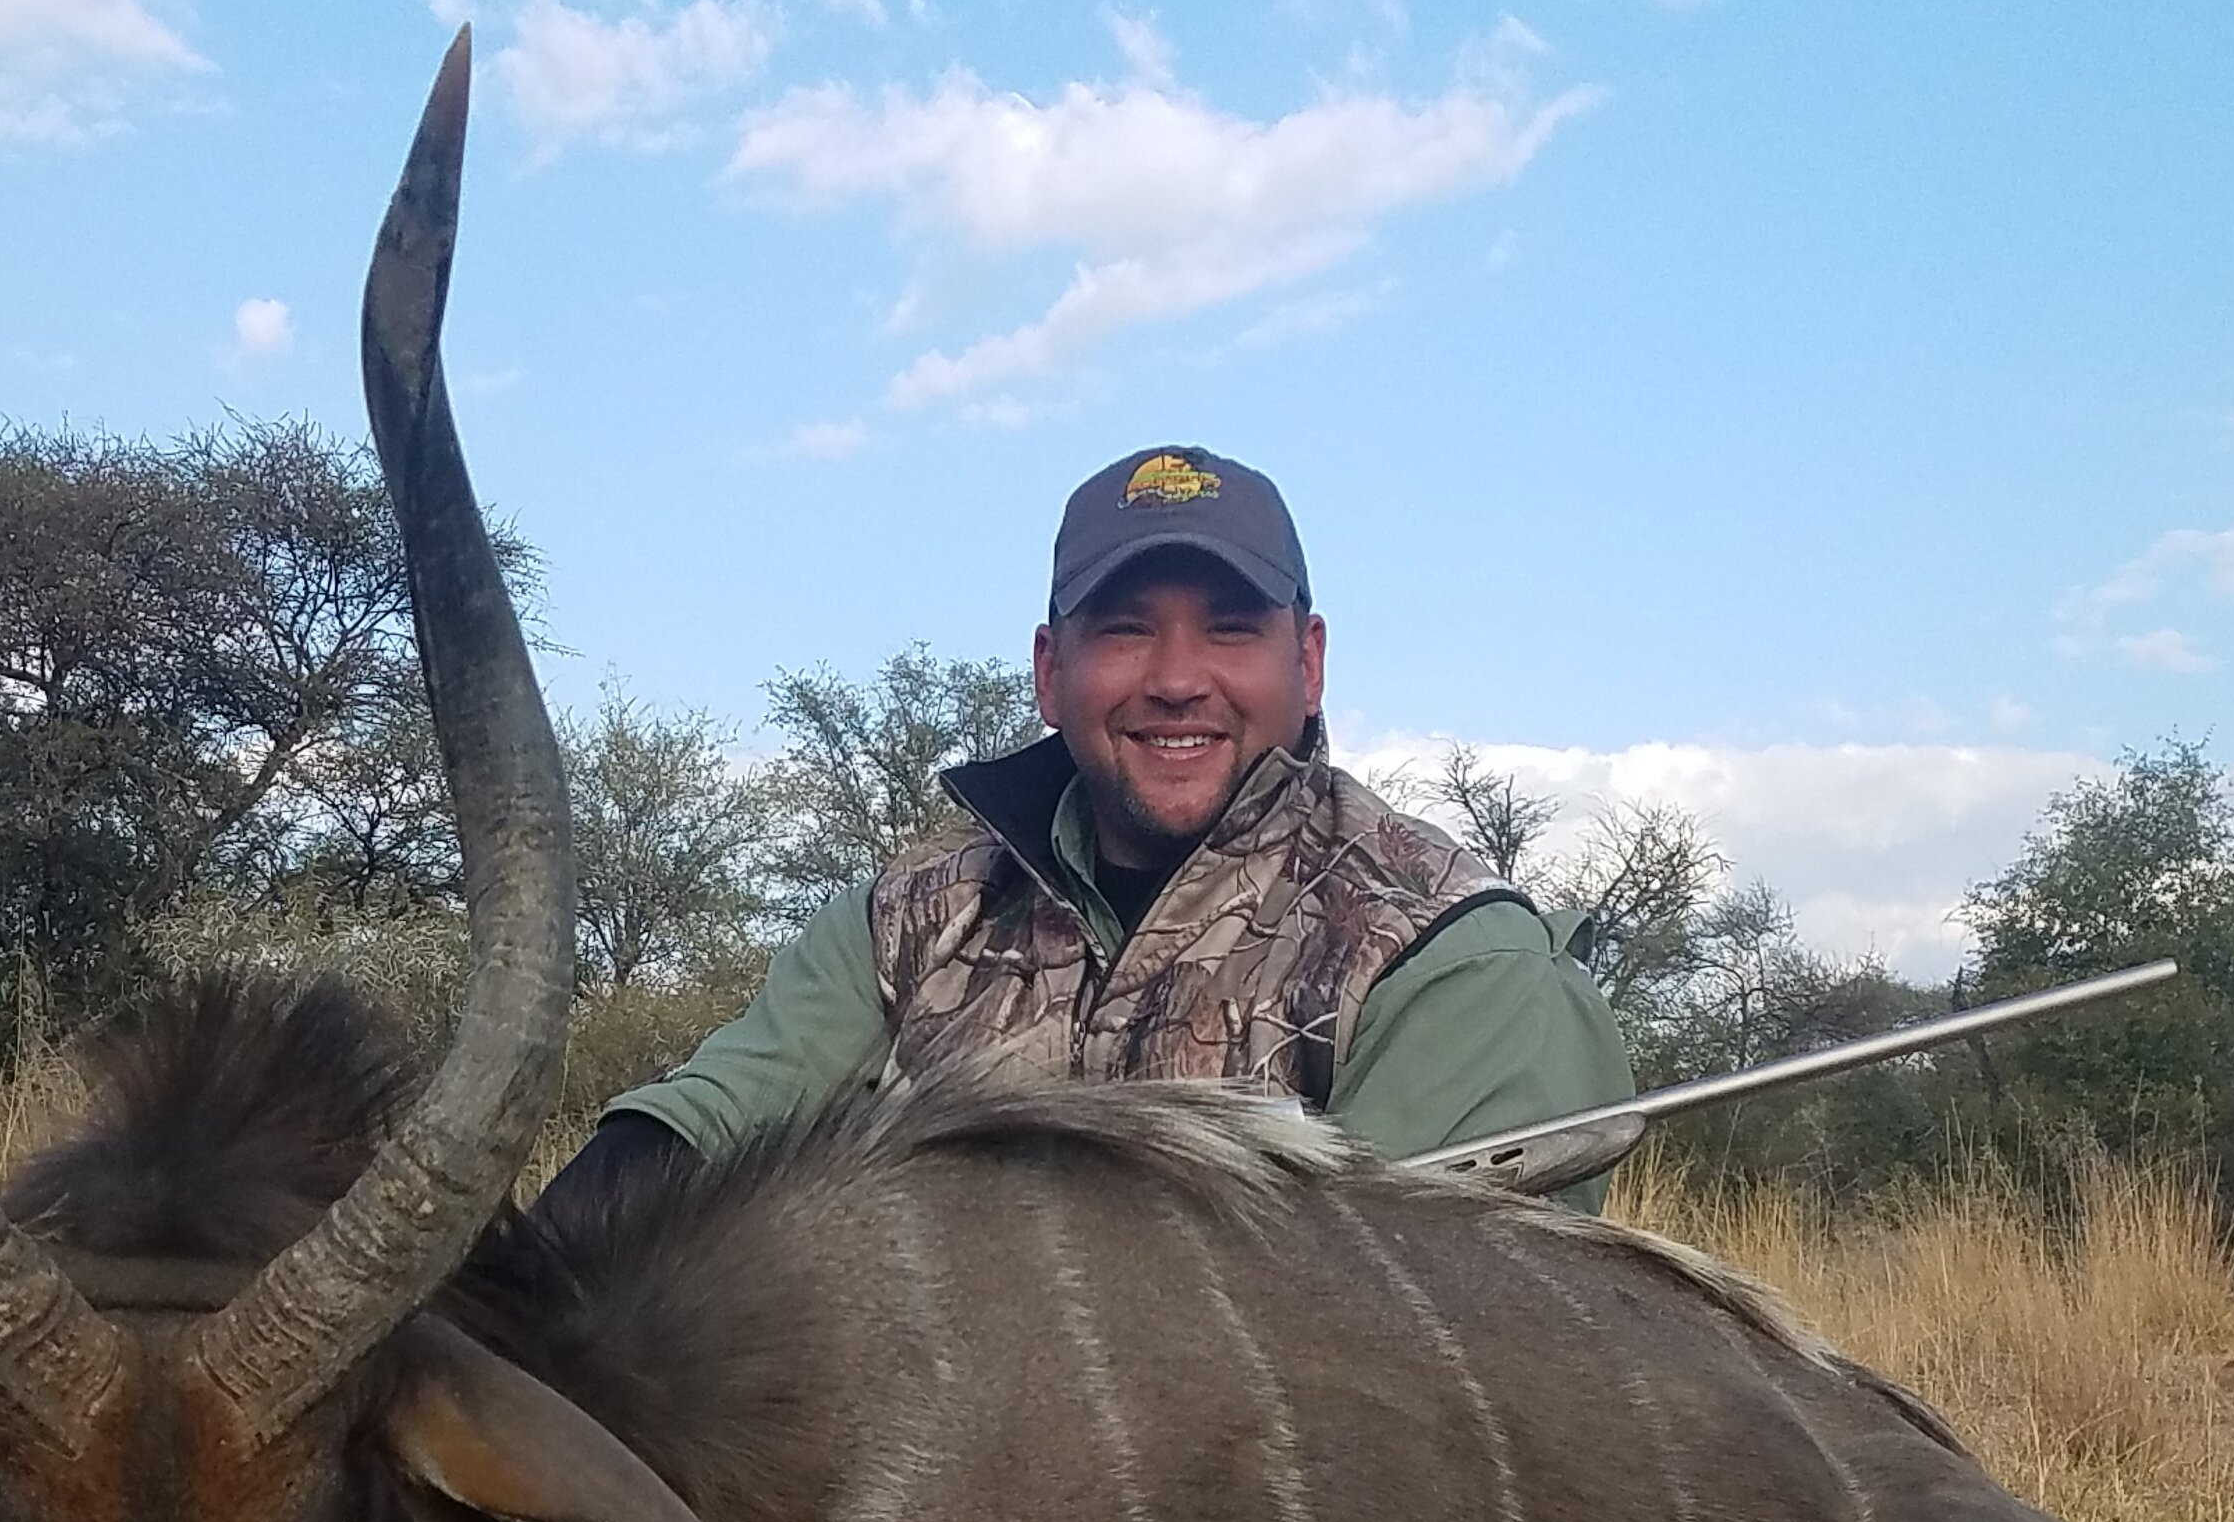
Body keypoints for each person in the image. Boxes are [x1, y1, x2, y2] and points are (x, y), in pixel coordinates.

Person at [572, 444, 1632, 1203]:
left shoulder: (1457, 960)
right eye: (1124, 631)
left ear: (1306, 665)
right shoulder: (901, 922)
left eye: (1228, 631)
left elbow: (1405, 1386)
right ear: (1049, 671)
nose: (1176, 681)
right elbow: (703, 1127)